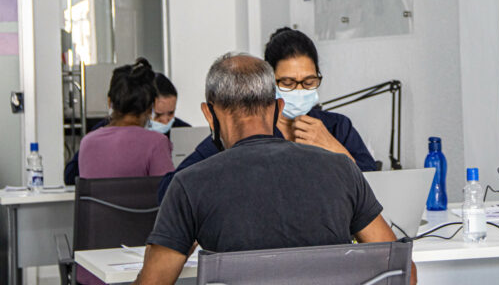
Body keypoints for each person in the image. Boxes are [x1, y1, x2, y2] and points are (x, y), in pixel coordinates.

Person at [135, 53, 415, 285]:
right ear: (279, 108)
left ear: (209, 114)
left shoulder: (189, 185)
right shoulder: (342, 169)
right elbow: (403, 274)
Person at [156, 27, 376, 201]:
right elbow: (170, 189)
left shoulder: (337, 128)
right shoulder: (244, 129)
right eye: (288, 83)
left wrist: (336, 151)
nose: (300, 90)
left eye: (309, 82)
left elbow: (375, 191)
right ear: (269, 84)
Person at [78, 58, 175, 285]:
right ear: (150, 107)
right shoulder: (156, 143)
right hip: (143, 268)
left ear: (110, 102)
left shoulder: (87, 143)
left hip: (94, 267)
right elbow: (170, 202)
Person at [63, 72, 189, 185]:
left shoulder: (183, 131)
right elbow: (71, 174)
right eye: (158, 114)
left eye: (171, 113)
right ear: (146, 108)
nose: (165, 120)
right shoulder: (103, 132)